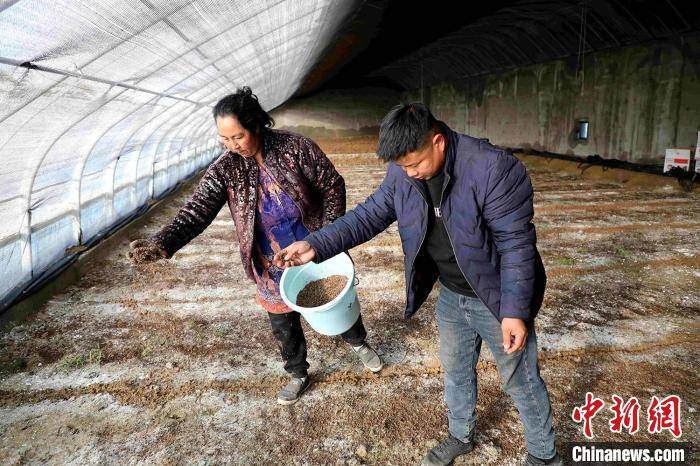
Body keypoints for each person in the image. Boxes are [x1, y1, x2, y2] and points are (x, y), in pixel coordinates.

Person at [274, 103, 561, 465]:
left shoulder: (493, 169)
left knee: (520, 380)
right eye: (401, 167)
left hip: (498, 298)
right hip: (453, 295)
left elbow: (516, 244)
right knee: (456, 372)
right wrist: (316, 245)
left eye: (415, 164)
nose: (409, 174)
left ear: (438, 141)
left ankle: (544, 455)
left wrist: (515, 312)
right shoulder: (403, 174)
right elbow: (370, 215)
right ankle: (461, 435)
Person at [128, 87, 383, 405]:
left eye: (238, 136)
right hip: (269, 261)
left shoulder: (295, 147)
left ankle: (359, 344)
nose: (231, 145)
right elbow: (197, 210)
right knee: (283, 323)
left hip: (315, 251)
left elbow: (331, 184)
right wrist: (164, 242)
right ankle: (298, 373)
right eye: (225, 138)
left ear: (257, 125)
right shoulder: (226, 169)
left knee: (334, 304)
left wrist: (329, 234)